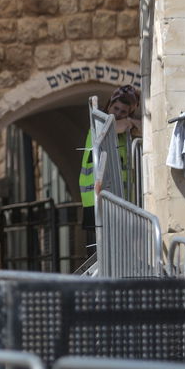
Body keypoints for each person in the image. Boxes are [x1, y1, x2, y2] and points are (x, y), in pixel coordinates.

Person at [79, 84, 140, 254]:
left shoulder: (124, 131)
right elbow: (117, 125)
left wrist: (131, 123)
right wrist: (128, 121)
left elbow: (145, 129)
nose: (117, 114)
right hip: (97, 198)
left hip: (116, 198)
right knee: (102, 253)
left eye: (123, 112)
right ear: (108, 106)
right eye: (116, 108)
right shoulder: (100, 125)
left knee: (117, 251)